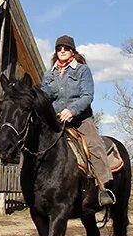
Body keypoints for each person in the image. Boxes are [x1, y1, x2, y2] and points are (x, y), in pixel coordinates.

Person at [41, 35, 115, 206]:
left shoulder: (82, 70)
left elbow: (87, 95)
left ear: (72, 51)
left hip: (81, 119)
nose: (62, 51)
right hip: (56, 120)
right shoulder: (49, 74)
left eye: (66, 48)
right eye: (59, 49)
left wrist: (71, 111)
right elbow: (45, 95)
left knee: (95, 145)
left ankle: (104, 188)